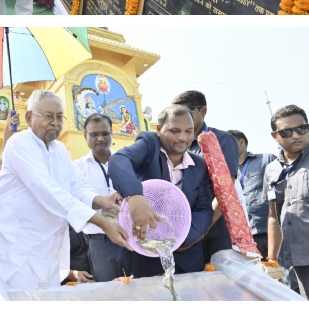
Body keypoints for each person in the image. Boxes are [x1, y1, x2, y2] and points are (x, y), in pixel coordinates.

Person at [0, 90, 129, 291]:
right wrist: (102, 222)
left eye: (59, 116)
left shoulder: (60, 149)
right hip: (18, 242)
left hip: (49, 244)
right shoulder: (18, 144)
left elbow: (76, 186)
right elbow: (47, 190)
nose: (55, 122)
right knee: (21, 300)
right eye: (48, 116)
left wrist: (101, 200)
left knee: (47, 299)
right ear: (29, 117)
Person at [109, 105, 214, 277]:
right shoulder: (149, 145)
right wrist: (135, 196)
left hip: (187, 258)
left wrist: (183, 239)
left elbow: (204, 209)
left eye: (189, 131)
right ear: (158, 129)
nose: (183, 137)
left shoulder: (200, 166)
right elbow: (119, 160)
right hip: (144, 254)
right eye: (174, 131)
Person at [176, 90, 239, 263]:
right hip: (188, 232)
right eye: (178, 113)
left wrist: (201, 228)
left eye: (188, 111)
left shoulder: (221, 140)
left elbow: (225, 190)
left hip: (216, 231)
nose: (182, 118)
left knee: (223, 285)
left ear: (203, 111)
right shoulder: (178, 146)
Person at [71, 113, 125, 282]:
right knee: (109, 295)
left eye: (105, 133)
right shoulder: (76, 168)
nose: (100, 138)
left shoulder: (126, 162)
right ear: (85, 136)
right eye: (94, 134)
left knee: (137, 290)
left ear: (112, 134)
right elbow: (75, 202)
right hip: (99, 242)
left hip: (129, 239)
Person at [265, 105, 309, 299]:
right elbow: (273, 216)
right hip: (290, 258)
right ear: (274, 136)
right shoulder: (271, 170)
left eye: (301, 128)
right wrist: (272, 261)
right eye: (286, 131)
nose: (295, 135)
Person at [227, 129, 276, 257]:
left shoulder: (266, 159)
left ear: (241, 142)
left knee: (283, 272)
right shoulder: (226, 172)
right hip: (246, 237)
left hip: (271, 230)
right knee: (259, 274)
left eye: (228, 144)